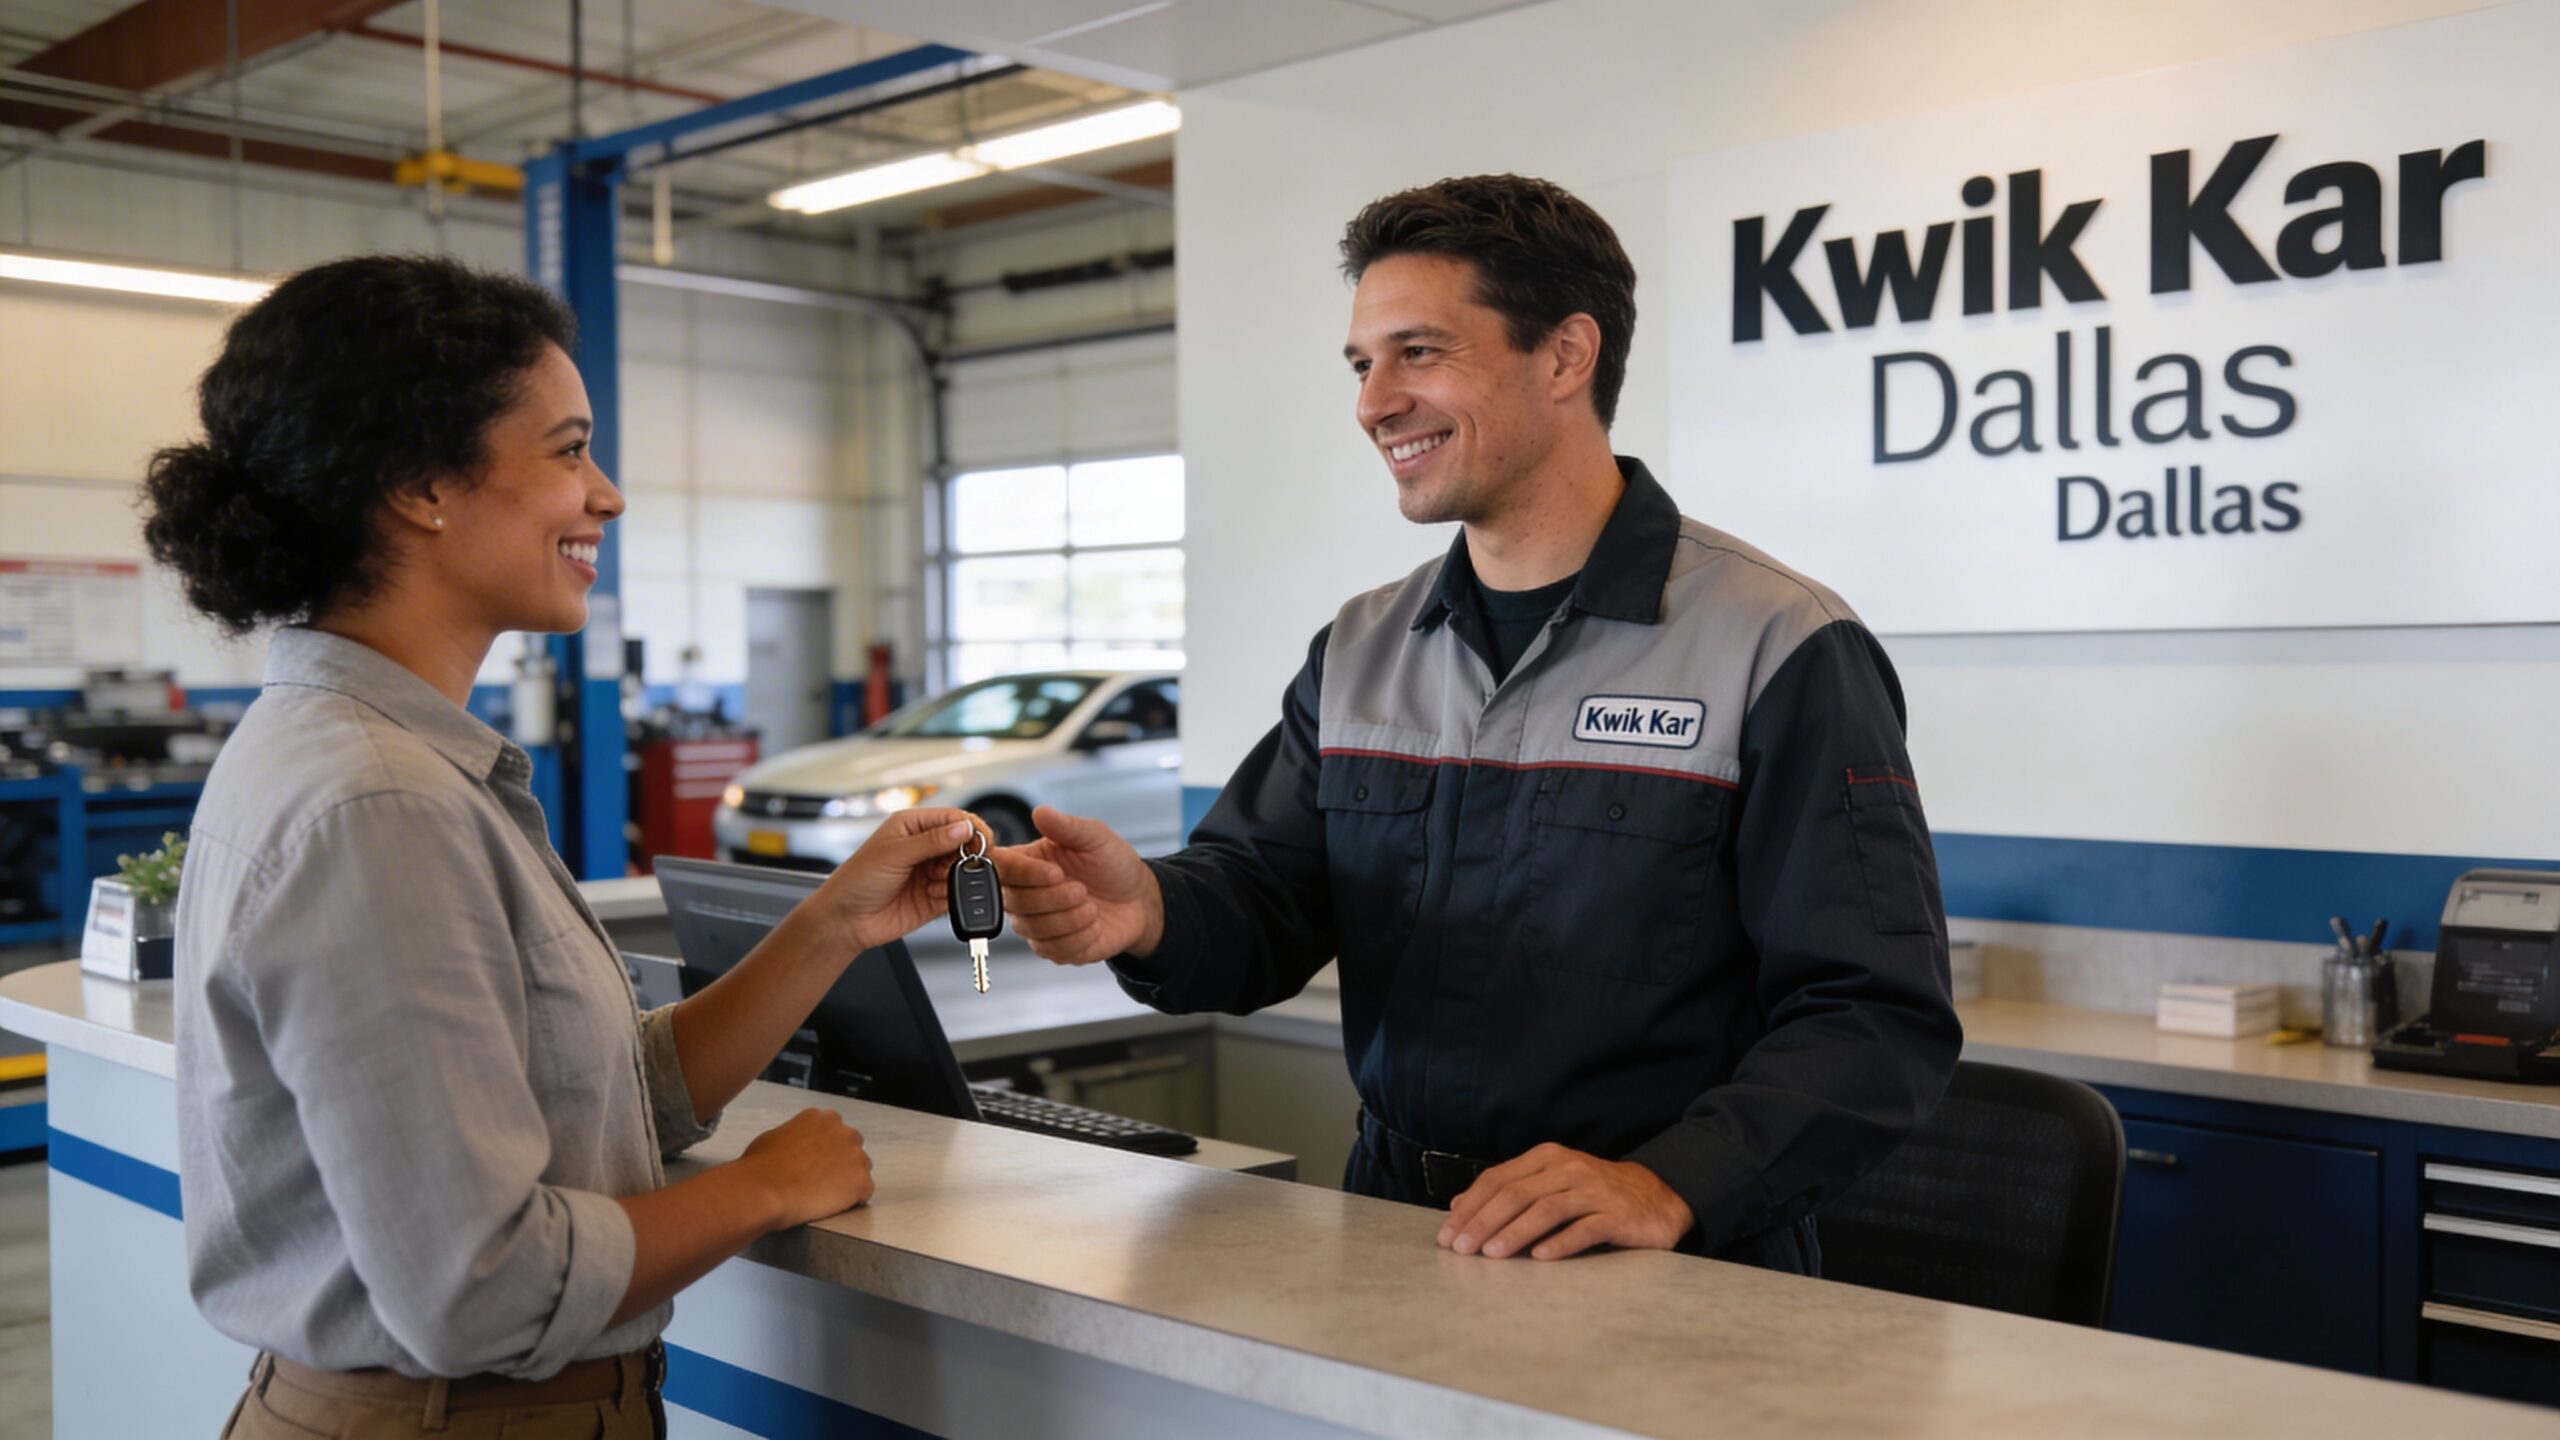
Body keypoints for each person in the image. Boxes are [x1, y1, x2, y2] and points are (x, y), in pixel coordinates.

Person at [992, 175, 1962, 1274]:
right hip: (1400, 1230)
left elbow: (1874, 1017)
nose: (1373, 402)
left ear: (1563, 356)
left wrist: (1670, 1180)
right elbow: (1265, 899)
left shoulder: (1776, 644)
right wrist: (1150, 909)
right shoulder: (1364, 646)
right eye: (1364, 364)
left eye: (1419, 352)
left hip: (1659, 1260)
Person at [146, 255, 980, 1438]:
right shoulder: (379, 805)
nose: (608, 495)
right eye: (567, 449)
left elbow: (604, 1107)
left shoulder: (378, 756)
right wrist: (766, 1187)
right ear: (425, 485)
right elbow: (477, 1287)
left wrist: (833, 923)